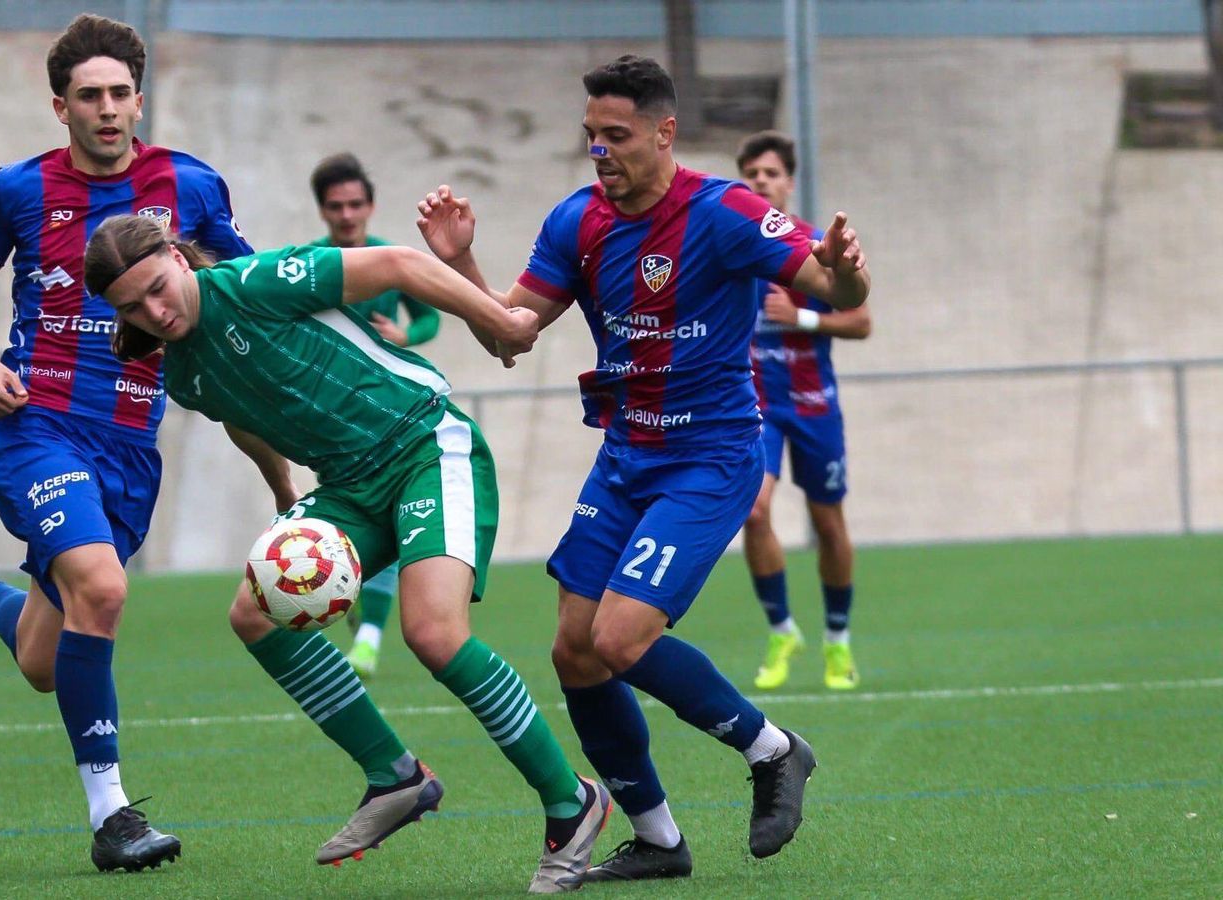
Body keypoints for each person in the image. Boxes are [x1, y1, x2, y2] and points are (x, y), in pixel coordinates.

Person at [415, 55, 870, 884]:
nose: (600, 151)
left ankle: (775, 752)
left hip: (713, 455)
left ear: (665, 133)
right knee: (573, 652)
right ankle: (658, 838)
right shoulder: (577, 221)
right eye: (591, 135)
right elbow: (510, 335)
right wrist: (460, 267)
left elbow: (825, 284)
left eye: (616, 136)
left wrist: (840, 266)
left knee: (619, 636)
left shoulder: (725, 211)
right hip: (626, 457)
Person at [84, 213, 610, 893]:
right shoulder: (181, 373)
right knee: (253, 612)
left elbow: (396, 264)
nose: (153, 312)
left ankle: (572, 805)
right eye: (132, 308)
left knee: (433, 634)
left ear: (179, 261)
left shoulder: (256, 282)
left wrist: (499, 318)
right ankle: (394, 776)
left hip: (425, 443)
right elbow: (239, 416)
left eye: (157, 288)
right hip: (347, 488)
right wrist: (282, 492)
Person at [0, 13, 252, 874]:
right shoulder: (19, 189)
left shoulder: (194, 188)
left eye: (119, 93)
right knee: (103, 584)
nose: (106, 109)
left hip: (134, 445)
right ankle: (114, 817)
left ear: (140, 98)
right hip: (38, 427)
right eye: (88, 95)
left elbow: (238, 293)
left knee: (43, 660)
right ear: (60, 106)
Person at [737, 131, 872, 692]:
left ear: (789, 182)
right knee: (754, 511)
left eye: (771, 173)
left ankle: (838, 642)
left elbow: (862, 321)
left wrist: (802, 318)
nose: (761, 181)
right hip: (758, 408)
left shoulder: (817, 245)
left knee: (828, 524)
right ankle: (781, 630)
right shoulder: (731, 247)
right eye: (752, 173)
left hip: (815, 404)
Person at [306, 151, 442, 679]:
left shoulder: (393, 260)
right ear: (323, 210)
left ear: (371, 206)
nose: (347, 215)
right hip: (329, 417)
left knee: (391, 516)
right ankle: (357, 606)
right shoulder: (306, 263)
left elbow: (428, 319)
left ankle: (369, 634)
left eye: (355, 204)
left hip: (390, 412)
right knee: (351, 522)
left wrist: (407, 336)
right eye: (336, 206)